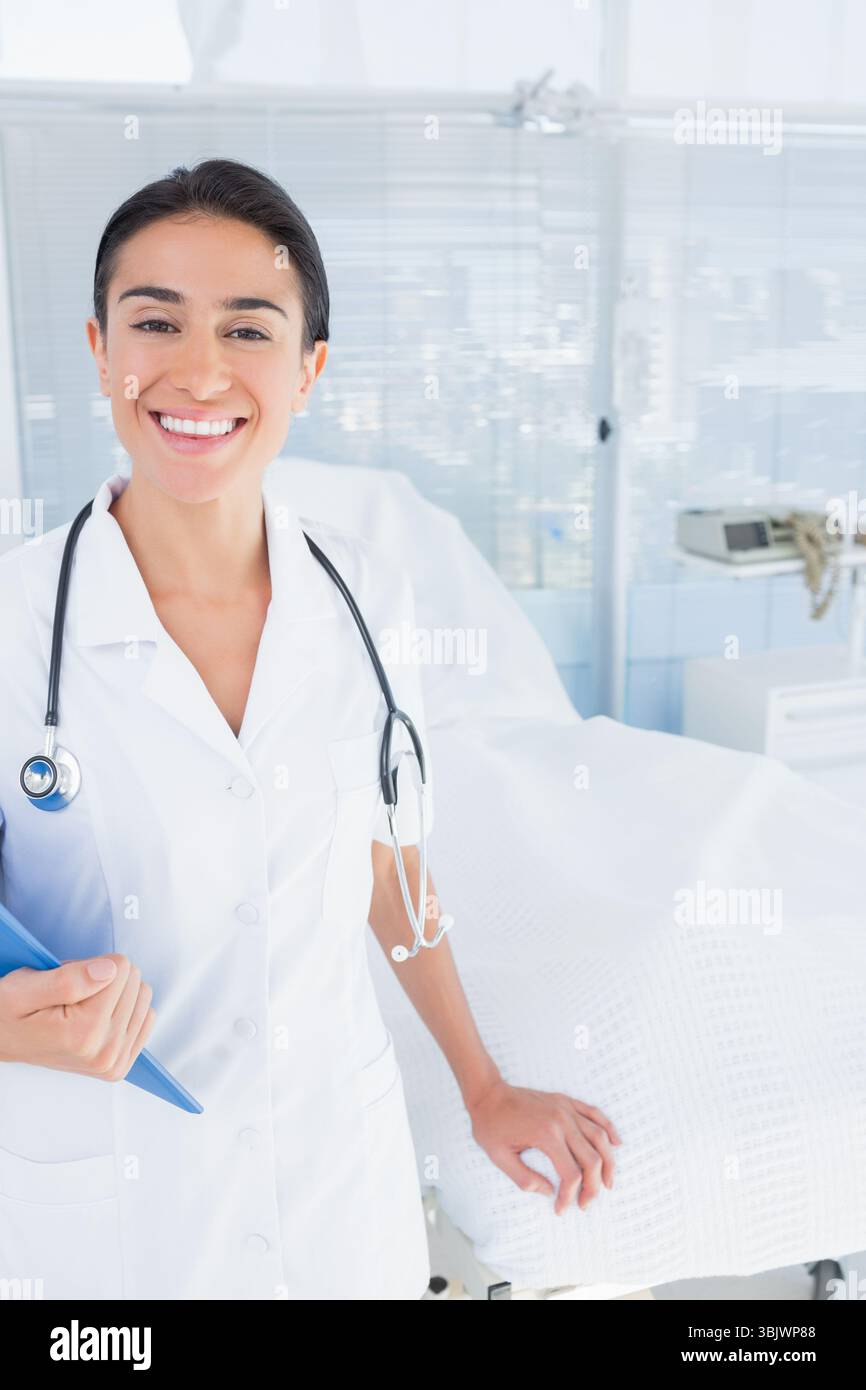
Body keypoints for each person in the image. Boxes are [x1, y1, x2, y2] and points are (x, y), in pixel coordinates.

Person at [0, 157, 620, 1300]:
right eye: (155, 321)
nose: (197, 370)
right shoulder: (14, 624)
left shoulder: (366, 605)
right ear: (98, 350)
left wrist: (480, 1087)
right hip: (112, 1224)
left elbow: (388, 865)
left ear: (308, 369)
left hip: (338, 1195)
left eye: (248, 329)